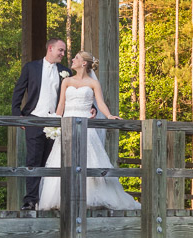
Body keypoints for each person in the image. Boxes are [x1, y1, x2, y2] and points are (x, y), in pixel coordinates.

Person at [37, 51, 140, 211]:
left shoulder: (93, 83)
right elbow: (61, 105)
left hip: (86, 125)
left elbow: (100, 103)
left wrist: (109, 115)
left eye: (76, 58)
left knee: (89, 160)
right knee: (63, 160)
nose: (72, 59)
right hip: (68, 124)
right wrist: (55, 122)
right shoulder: (67, 81)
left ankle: (91, 197)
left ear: (84, 63)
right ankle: (63, 198)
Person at [11, 38, 71, 210]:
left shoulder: (65, 71)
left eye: (64, 51)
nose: (63, 54)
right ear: (50, 49)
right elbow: (18, 91)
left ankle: (47, 201)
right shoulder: (31, 68)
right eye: (60, 50)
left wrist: (91, 109)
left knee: (51, 162)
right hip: (34, 119)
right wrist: (18, 116)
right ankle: (30, 201)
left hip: (56, 122)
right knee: (33, 160)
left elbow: (74, 93)